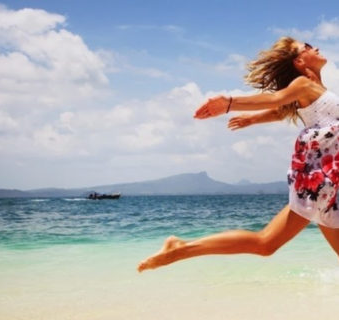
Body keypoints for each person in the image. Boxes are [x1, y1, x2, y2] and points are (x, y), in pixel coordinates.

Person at [137, 36, 339, 273]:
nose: (314, 47)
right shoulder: (303, 84)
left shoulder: (315, 91)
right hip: (320, 181)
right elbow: (275, 99)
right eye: (306, 47)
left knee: (266, 244)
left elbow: (280, 110)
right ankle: (181, 248)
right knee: (265, 243)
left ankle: (181, 247)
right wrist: (229, 103)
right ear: (299, 61)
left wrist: (253, 119)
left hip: (330, 183)